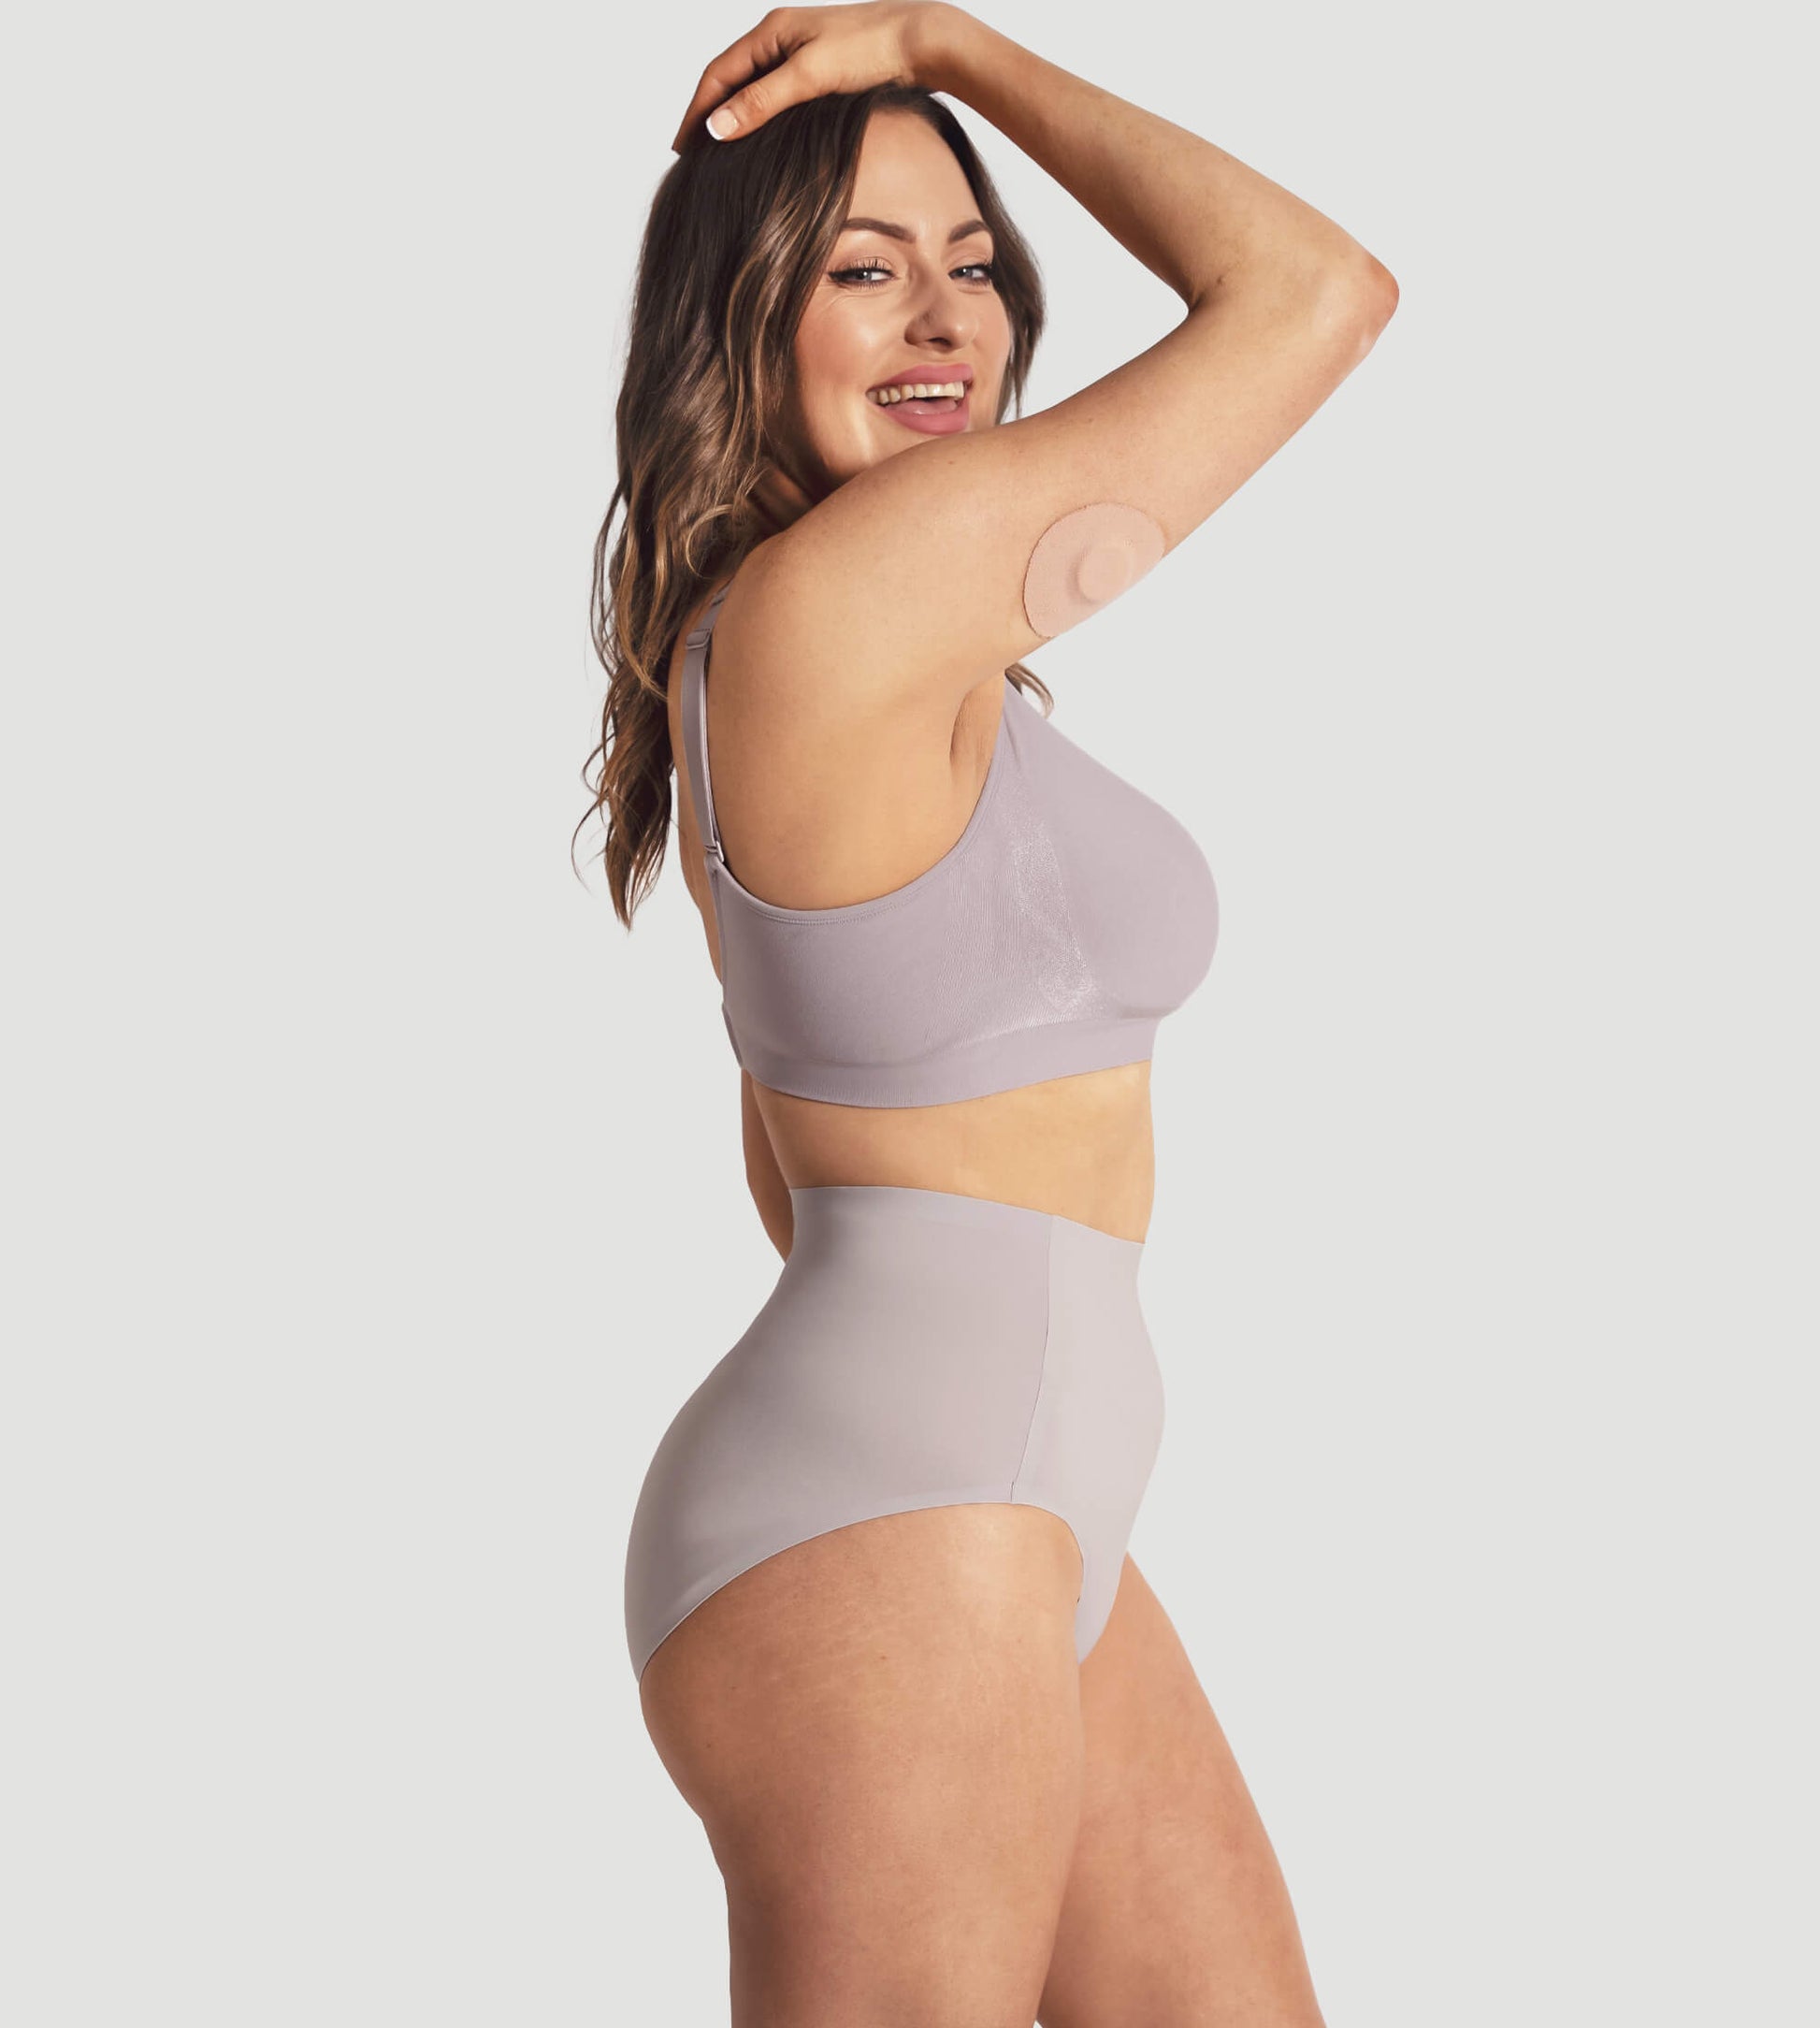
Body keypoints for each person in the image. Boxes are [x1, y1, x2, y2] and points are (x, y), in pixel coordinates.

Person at [582, 6, 1397, 2019]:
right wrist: (953, 44)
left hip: (994, 1485)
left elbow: (792, 1152)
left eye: (973, 260)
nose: (945, 318)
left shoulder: (859, 650)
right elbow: (1314, 293)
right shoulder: (841, 597)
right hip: (902, 1505)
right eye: (864, 271)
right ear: (740, 324)